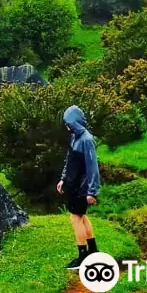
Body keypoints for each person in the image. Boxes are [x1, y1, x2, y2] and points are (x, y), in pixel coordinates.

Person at [57, 105, 101, 270]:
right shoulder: (74, 136)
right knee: (81, 217)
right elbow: (69, 161)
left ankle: (83, 257)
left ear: (75, 122)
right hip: (72, 185)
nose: (67, 127)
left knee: (75, 218)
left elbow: (92, 167)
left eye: (68, 123)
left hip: (81, 189)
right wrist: (63, 179)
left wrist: (92, 191)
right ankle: (93, 250)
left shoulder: (87, 140)